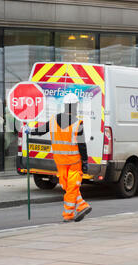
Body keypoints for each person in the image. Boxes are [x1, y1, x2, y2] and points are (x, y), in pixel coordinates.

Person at [28, 92, 91, 222]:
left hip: (60, 162)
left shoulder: (53, 120)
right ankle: (69, 214)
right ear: (74, 106)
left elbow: (40, 130)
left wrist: (29, 131)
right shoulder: (77, 123)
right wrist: (85, 160)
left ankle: (82, 206)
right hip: (74, 162)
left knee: (68, 187)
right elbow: (82, 145)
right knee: (72, 187)